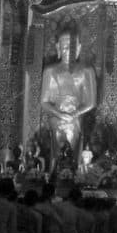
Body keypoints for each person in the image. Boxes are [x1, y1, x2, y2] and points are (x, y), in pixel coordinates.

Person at [40, 23, 97, 170]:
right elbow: (44, 101)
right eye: (64, 47)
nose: (67, 51)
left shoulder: (86, 71)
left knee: (72, 153)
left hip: (75, 119)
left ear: (78, 48)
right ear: (58, 48)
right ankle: (56, 175)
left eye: (71, 47)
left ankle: (72, 176)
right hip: (56, 118)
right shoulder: (50, 71)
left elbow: (91, 102)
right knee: (58, 154)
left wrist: (74, 113)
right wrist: (59, 114)